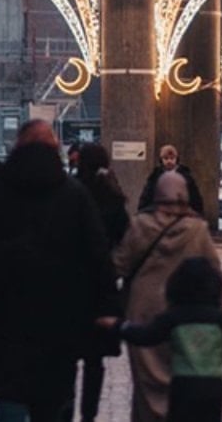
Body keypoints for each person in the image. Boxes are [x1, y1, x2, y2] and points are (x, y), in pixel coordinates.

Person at [0, 119, 117, 422]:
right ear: (54, 147)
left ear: (18, 145)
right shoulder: (73, 195)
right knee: (53, 399)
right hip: (60, 319)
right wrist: (104, 305)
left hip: (4, 315)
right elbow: (97, 254)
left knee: (11, 394)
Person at [115, 171, 221, 421]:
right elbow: (215, 273)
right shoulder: (197, 230)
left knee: (146, 383)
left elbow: (119, 264)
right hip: (186, 315)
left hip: (144, 311)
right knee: (180, 374)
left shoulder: (140, 225)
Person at [100, 257, 222, 422]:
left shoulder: (174, 317)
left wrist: (119, 326)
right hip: (212, 387)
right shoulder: (221, 319)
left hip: (183, 386)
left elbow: (146, 336)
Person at [74, 143, 131, 422]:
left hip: (70, 282)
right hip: (100, 284)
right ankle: (89, 414)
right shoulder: (112, 193)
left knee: (66, 354)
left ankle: (63, 409)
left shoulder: (72, 190)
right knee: (94, 360)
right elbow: (125, 238)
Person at [137, 144, 204, 215]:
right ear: (161, 160)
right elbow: (147, 196)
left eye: (172, 158)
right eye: (166, 158)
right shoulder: (155, 176)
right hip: (159, 214)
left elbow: (194, 197)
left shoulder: (186, 177)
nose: (169, 161)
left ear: (176, 159)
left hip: (181, 214)